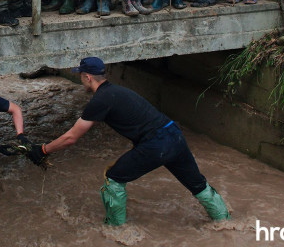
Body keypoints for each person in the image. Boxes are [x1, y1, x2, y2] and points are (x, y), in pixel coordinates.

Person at [27, 57, 230, 226]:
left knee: (113, 177)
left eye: (81, 76)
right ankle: (225, 222)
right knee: (198, 185)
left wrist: (44, 150)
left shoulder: (99, 101)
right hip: (174, 134)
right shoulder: (118, 91)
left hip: (156, 144)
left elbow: (71, 138)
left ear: (87, 77)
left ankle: (116, 229)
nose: (81, 80)